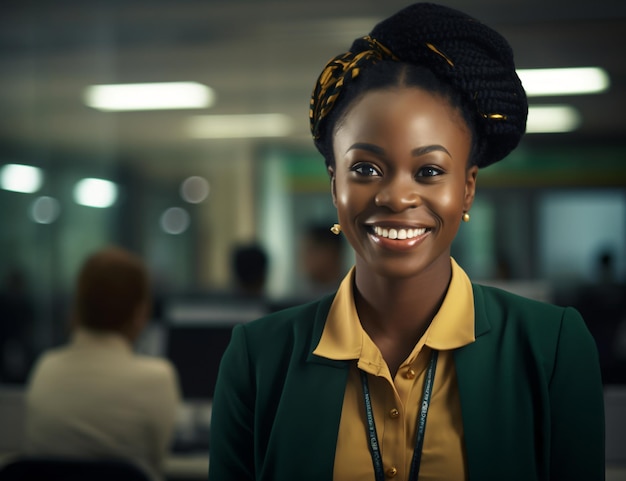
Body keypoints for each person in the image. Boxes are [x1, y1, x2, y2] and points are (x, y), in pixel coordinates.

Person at [208, 3, 605, 481]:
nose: (397, 196)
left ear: (467, 188)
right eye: (365, 169)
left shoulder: (551, 348)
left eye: (430, 171)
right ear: (334, 186)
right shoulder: (258, 357)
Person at [23, 246, 180, 481]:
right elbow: (158, 460)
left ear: (78, 305)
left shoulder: (45, 367)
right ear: (140, 312)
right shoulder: (158, 377)